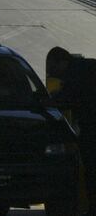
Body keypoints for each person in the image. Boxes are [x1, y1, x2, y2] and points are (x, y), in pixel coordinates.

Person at [47, 47, 96, 214]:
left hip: (91, 129)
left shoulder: (75, 75)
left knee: (92, 169)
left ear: (63, 62)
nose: (53, 74)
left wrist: (51, 99)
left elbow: (68, 99)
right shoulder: (87, 67)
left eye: (53, 69)